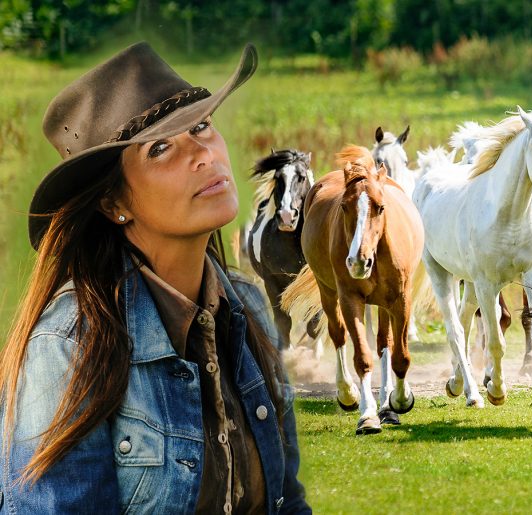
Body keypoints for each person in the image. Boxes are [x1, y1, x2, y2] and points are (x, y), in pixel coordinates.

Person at [0, 42, 311, 514]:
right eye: (162, 148)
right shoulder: (68, 345)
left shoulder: (246, 305)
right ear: (113, 204)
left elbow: (286, 499)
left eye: (202, 126)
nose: (203, 155)